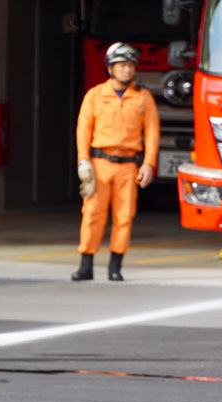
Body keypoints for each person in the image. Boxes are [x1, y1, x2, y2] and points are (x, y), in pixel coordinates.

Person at [73, 41, 160, 282]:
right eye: (121, 65)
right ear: (110, 69)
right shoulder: (95, 95)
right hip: (100, 164)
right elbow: (83, 129)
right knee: (92, 214)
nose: (126, 70)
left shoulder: (143, 98)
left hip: (128, 166)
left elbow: (152, 132)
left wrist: (149, 163)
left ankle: (115, 266)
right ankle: (86, 265)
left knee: (124, 216)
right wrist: (83, 161)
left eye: (130, 65)